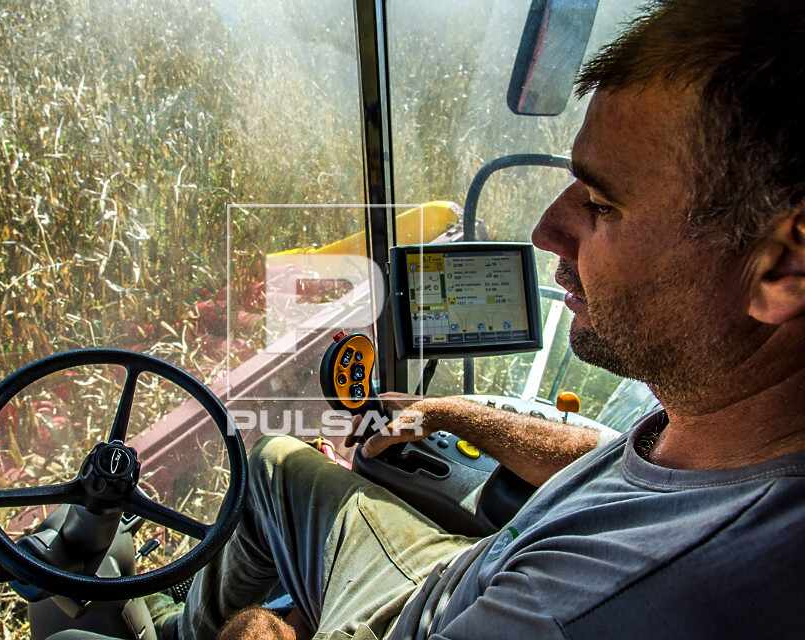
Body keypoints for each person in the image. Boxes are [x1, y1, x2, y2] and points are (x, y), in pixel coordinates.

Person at [164, 1, 805, 637]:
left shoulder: (576, 610)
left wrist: (264, 631)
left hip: (424, 615)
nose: (547, 230)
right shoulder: (717, 430)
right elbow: (611, 460)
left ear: (783, 267)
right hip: (462, 573)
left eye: (602, 205)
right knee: (275, 463)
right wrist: (445, 412)